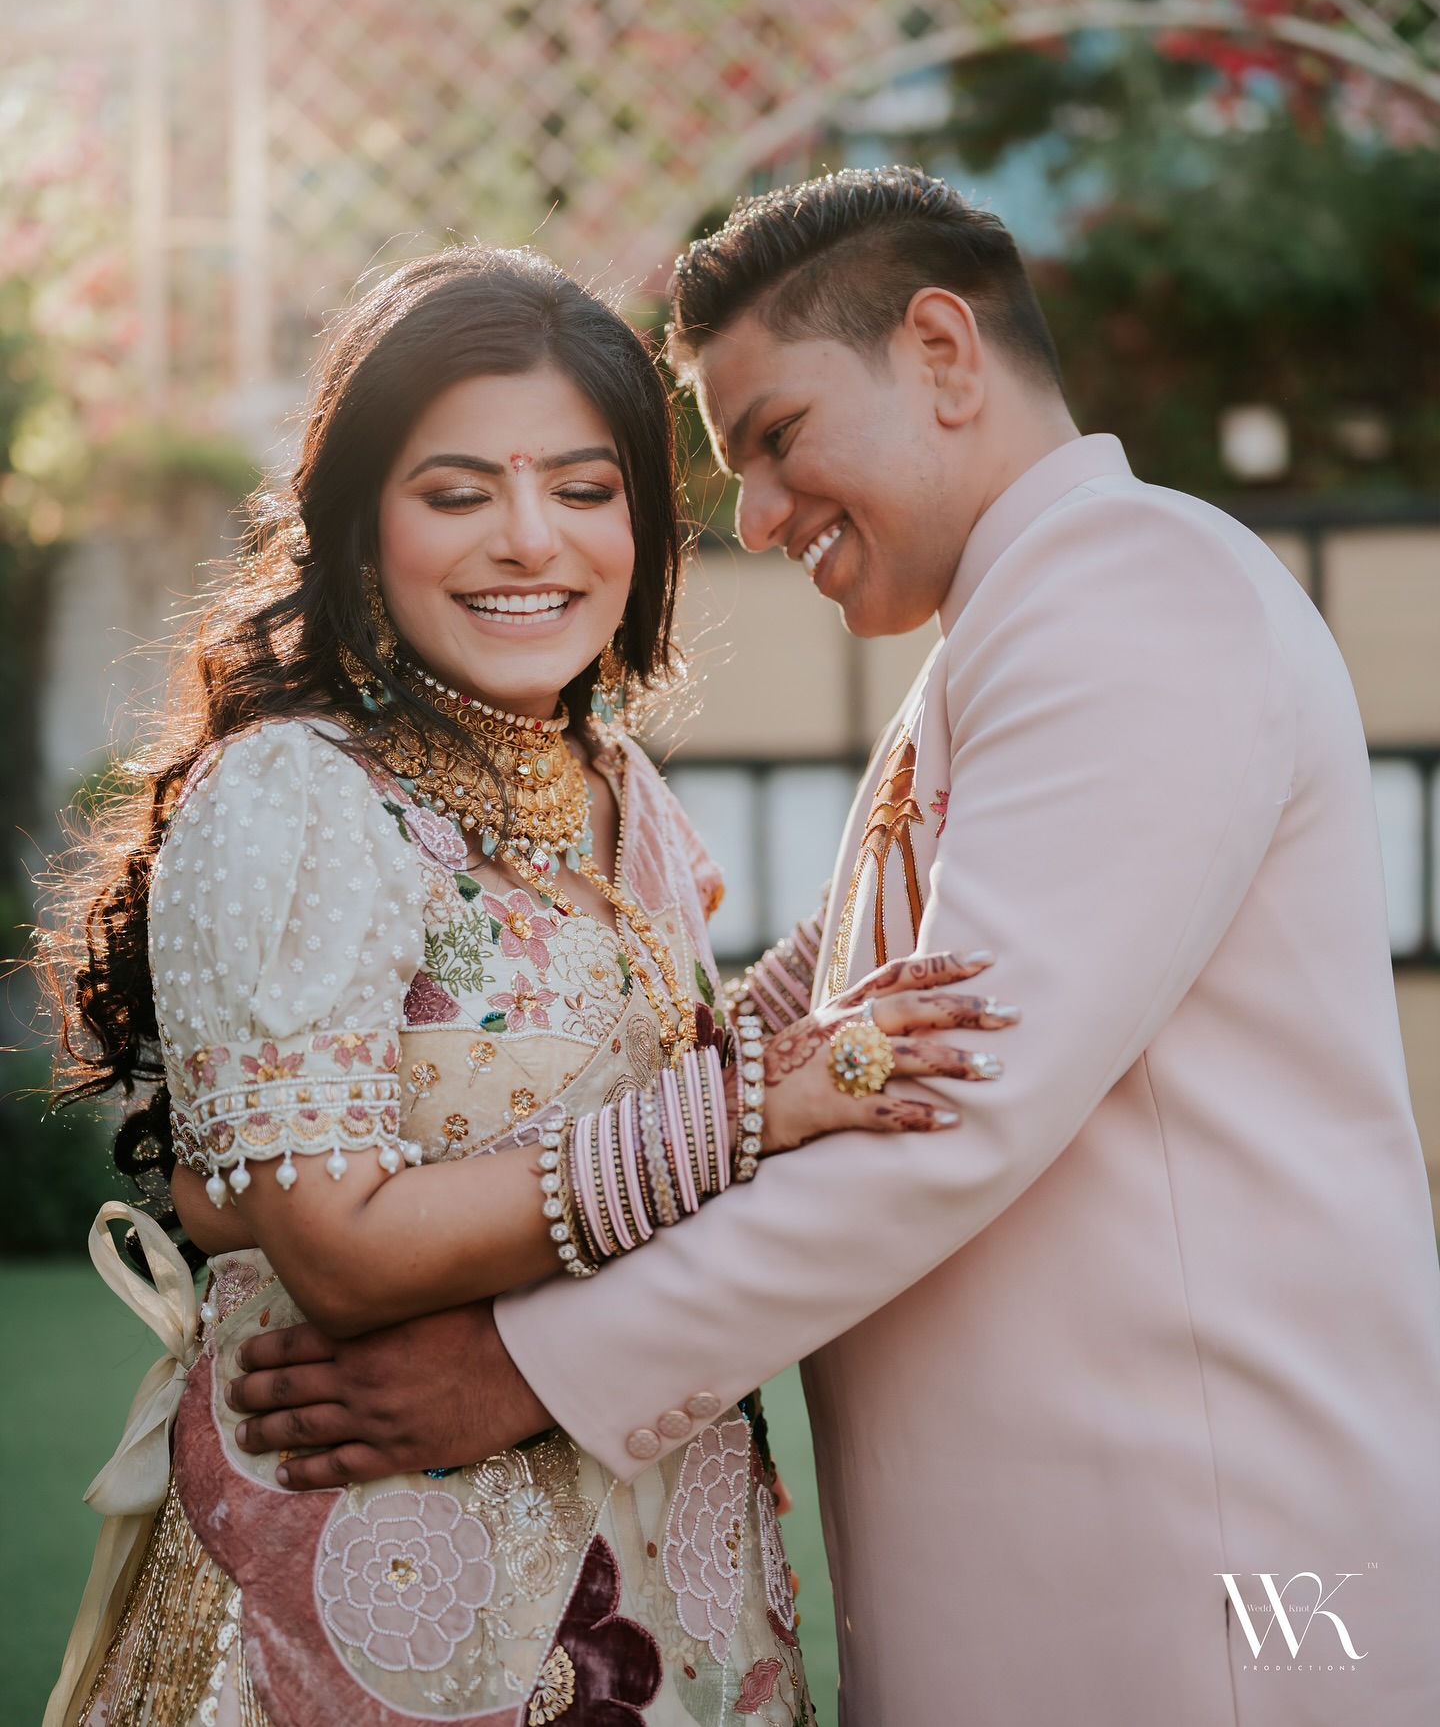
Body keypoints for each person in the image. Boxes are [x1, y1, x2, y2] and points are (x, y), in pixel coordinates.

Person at [228, 169, 1440, 1726]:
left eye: (779, 436)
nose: (754, 515)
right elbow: (817, 1024)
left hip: (1204, 1572)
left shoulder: (1133, 596)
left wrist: (522, 1369)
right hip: (1067, 1561)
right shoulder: (1003, 634)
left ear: (943, 351)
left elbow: (951, 1106)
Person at [41, 244, 1013, 1727]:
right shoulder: (294, 797)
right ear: (358, 519)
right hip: (383, 1599)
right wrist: (758, 1104)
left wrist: (919, 855)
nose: (528, 540)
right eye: (455, 494)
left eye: (582, 487)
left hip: (671, 1571)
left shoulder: (618, 782)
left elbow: (665, 1069)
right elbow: (340, 1247)